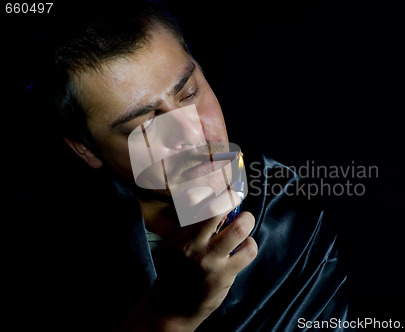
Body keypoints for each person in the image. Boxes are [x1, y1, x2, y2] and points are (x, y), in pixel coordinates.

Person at [27, 1, 352, 331]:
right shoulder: (48, 248)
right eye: (145, 124)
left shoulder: (292, 214)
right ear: (85, 149)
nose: (192, 133)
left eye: (189, 92)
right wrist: (170, 315)